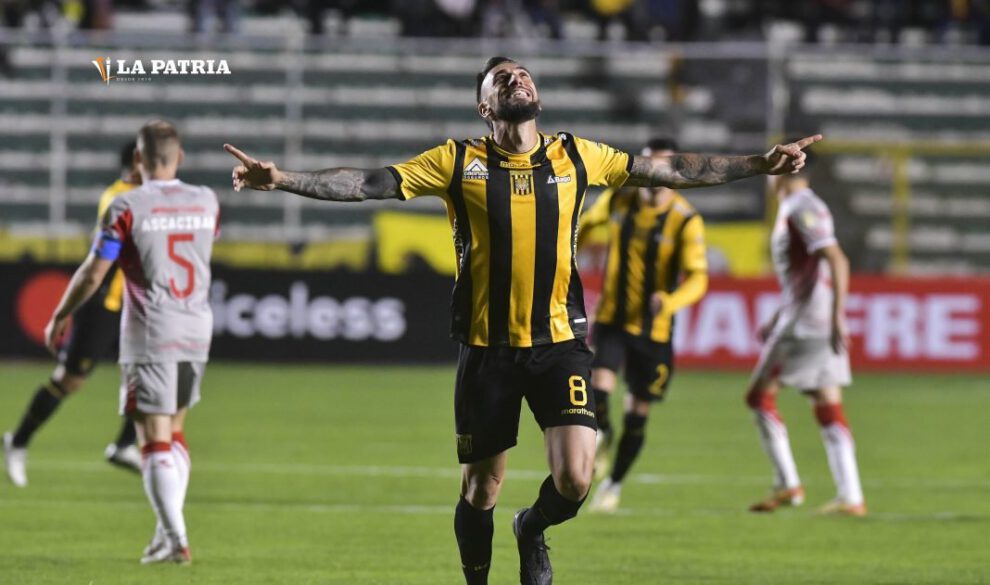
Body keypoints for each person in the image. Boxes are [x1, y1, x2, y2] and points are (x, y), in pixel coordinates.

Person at [224, 56, 819, 585]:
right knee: (480, 488)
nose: (518, 77)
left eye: (523, 73)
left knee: (575, 480)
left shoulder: (578, 155)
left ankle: (531, 528)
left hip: (559, 342)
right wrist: (282, 179)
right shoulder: (456, 161)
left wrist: (758, 164)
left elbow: (674, 172)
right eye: (503, 77)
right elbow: (369, 184)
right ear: (486, 106)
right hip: (487, 350)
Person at [43, 120, 220, 564]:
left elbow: (94, 273)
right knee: (176, 431)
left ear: (138, 160)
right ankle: (166, 534)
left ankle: (176, 538)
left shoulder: (126, 206)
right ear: (180, 158)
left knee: (152, 437)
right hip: (197, 324)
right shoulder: (206, 200)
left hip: (152, 329)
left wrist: (61, 314)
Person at [577, 137, 709, 513]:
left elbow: (699, 277)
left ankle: (613, 485)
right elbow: (587, 223)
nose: (654, 173)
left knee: (638, 413)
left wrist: (671, 301)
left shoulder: (685, 219)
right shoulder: (620, 198)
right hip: (613, 318)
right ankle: (604, 432)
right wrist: (568, 258)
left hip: (654, 330)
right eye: (648, 165)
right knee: (596, 391)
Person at [4, 141, 143, 488]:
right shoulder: (118, 196)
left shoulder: (151, 196)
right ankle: (17, 441)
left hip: (134, 305)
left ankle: (126, 444)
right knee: (70, 380)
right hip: (102, 305)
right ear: (137, 161)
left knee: (149, 372)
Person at [744, 141, 865, 517]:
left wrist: (837, 316)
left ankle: (788, 483)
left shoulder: (802, 207)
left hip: (807, 323)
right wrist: (779, 313)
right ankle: (851, 497)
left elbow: (836, 258)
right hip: (803, 315)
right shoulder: (799, 206)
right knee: (827, 404)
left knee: (759, 397)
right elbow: (807, 274)